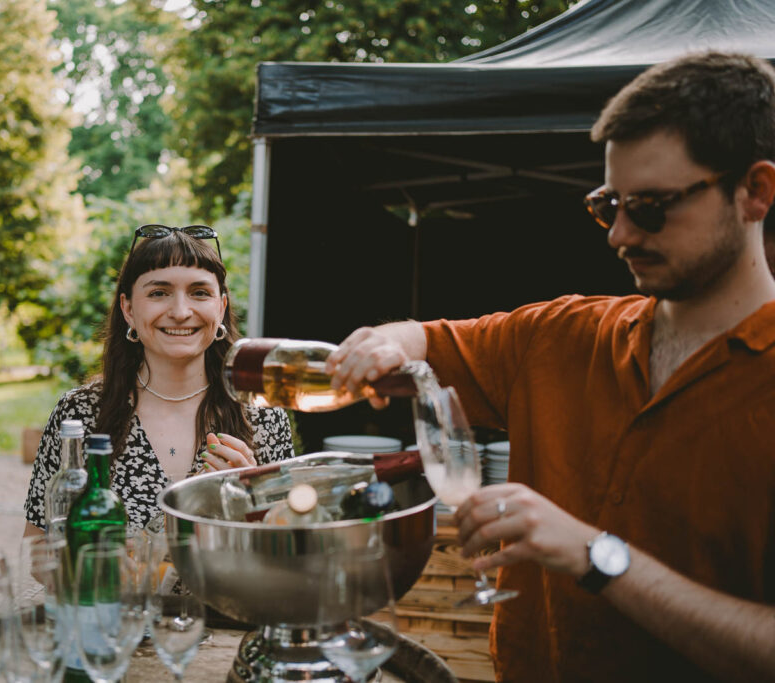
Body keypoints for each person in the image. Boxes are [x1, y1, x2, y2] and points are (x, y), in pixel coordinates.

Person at [326, 52, 775, 683]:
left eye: (649, 207)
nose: (618, 234)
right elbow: (425, 339)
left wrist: (597, 556)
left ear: (755, 191)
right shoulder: (561, 335)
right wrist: (387, 343)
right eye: (607, 204)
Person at [24, 225, 296, 533]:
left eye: (200, 293)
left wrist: (254, 505)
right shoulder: (78, 414)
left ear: (221, 308)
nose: (180, 311)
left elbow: (288, 556)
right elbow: (39, 552)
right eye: (158, 293)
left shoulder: (264, 417)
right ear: (128, 309)